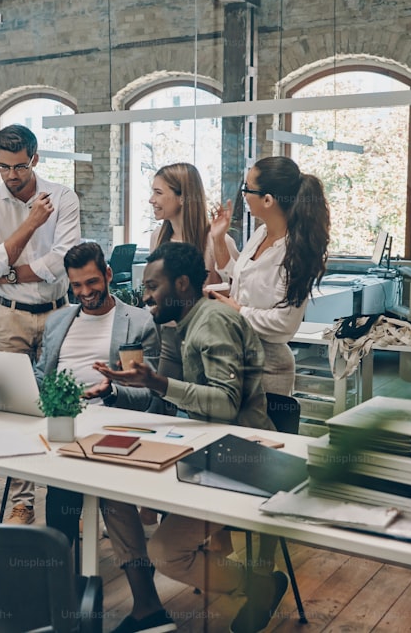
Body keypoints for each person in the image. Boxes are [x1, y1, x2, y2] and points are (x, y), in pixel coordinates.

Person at [96, 242, 283, 633]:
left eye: (153, 285)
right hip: (204, 450)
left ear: (181, 284)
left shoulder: (212, 320)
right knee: (112, 491)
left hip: (242, 459)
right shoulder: (189, 323)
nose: (145, 295)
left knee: (166, 553)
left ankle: (258, 585)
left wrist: (158, 382)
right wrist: (150, 385)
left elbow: (226, 405)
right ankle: (146, 607)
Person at [0, 123, 81, 525]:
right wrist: (32, 223)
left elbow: (61, 262)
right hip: (9, 317)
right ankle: (23, 501)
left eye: (19, 166)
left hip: (57, 314)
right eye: (3, 167)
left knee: (62, 406)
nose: (12, 176)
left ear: (35, 159)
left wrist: (8, 271)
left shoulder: (64, 198)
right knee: (16, 412)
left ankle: (69, 499)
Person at [31, 242, 160, 547]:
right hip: (62, 423)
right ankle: (60, 572)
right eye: (76, 285)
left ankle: (126, 565)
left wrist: (112, 391)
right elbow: (40, 376)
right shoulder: (58, 321)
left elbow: (149, 395)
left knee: (94, 488)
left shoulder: (138, 323)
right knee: (60, 491)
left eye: (92, 282)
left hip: (112, 425)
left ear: (108, 274)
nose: (85, 292)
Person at [209, 155, 330, 397]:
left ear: (267, 200)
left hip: (269, 367)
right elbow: (238, 276)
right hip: (236, 354)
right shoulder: (261, 233)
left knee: (260, 434)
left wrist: (238, 311)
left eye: (247, 188)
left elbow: (285, 323)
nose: (243, 194)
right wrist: (218, 239)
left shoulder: (296, 251)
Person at [148, 162, 238, 284]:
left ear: (182, 198)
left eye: (158, 193)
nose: (151, 200)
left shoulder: (218, 241)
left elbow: (237, 289)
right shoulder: (157, 236)